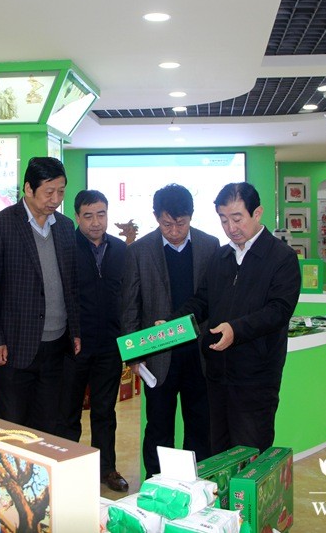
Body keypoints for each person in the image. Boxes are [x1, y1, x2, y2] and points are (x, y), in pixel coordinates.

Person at [174, 182, 301, 453]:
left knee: (250, 453)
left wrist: (236, 330)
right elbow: (202, 301)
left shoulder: (282, 257)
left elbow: (279, 310)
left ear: (257, 213)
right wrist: (174, 323)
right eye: (223, 220)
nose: (230, 227)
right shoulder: (221, 256)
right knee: (218, 452)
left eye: (237, 218)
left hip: (256, 377)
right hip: (216, 374)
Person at [0, 157, 80, 434]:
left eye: (61, 191)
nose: (55, 199)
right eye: (49, 191)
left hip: (56, 346)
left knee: (47, 427)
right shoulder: (0, 226)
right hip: (14, 347)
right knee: (11, 427)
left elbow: (71, 286)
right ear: (29, 189)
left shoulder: (65, 227)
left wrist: (75, 331)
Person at [121, 183, 219, 476]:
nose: (174, 231)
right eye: (167, 224)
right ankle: (158, 483)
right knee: (159, 427)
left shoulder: (210, 245)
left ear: (191, 216)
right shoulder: (139, 251)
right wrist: (134, 356)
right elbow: (130, 306)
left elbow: (214, 300)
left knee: (200, 425)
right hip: (158, 357)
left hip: (199, 355)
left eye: (181, 223)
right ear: (156, 217)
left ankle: (199, 484)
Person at [59, 190, 129, 492]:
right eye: (88, 216)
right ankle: (68, 470)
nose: (96, 222)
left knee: (105, 411)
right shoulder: (65, 248)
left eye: (101, 214)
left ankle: (107, 469)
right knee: (68, 412)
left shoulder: (121, 249)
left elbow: (127, 296)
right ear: (77, 217)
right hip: (74, 345)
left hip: (110, 346)